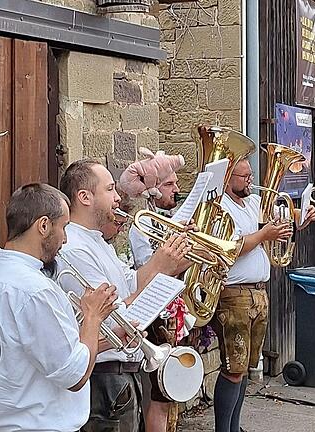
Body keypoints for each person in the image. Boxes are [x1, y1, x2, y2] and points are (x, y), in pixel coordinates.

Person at [57, 160, 194, 432]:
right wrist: (160, 264)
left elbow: (132, 283)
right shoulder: (75, 247)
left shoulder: (97, 241)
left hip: (122, 372)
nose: (118, 196)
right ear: (84, 197)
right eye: (110, 189)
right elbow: (110, 315)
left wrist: (178, 257)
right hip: (103, 374)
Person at [0, 183, 119, 431]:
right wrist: (93, 316)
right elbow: (75, 375)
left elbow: (30, 352)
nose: (65, 238)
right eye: (63, 227)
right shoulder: (36, 290)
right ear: (43, 226)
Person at [212, 158, 315, 432]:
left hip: (259, 291)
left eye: (250, 174)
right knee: (233, 367)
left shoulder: (253, 202)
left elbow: (277, 228)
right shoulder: (219, 208)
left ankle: (235, 426)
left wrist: (300, 220)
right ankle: (224, 429)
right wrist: (263, 234)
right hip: (234, 294)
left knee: (246, 366)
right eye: (243, 176)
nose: (250, 180)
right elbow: (229, 247)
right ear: (227, 178)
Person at [122, 167, 188, 432]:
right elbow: (145, 268)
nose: (176, 189)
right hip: (151, 313)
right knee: (159, 394)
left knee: (170, 392)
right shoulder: (143, 224)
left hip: (170, 308)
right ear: (152, 189)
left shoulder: (168, 220)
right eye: (169, 184)